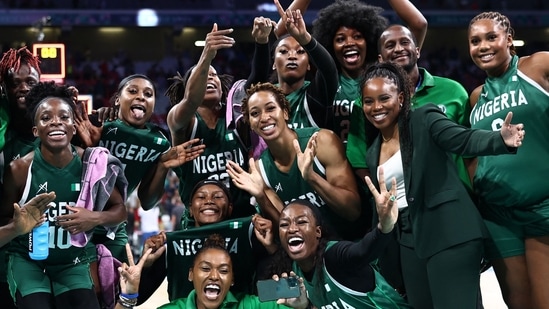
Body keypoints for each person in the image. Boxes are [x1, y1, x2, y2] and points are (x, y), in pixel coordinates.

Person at [360, 61, 524, 309]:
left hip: (449, 232)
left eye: (384, 98)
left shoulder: (423, 119)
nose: (376, 107)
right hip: (408, 241)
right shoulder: (373, 152)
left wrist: (499, 139)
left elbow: (462, 138)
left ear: (402, 98)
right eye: (368, 101)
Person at [1, 82, 128, 308]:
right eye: (46, 118)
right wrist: (16, 228)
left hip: (73, 262)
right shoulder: (19, 170)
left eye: (64, 117)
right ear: (35, 130)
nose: (56, 122)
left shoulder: (92, 165)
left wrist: (94, 218)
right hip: (28, 262)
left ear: (72, 127)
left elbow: (121, 210)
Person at [468, 11, 549, 309]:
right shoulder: (476, 97)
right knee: (517, 303)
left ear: (509, 40)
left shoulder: (538, 65)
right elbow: (472, 153)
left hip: (542, 206)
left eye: (491, 37)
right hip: (497, 216)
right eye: (475, 41)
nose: (483, 46)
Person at [226, 82, 363, 240]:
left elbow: (353, 211)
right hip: (310, 256)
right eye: (255, 113)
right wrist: (260, 197)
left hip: (351, 245)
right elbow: (286, 233)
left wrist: (312, 177)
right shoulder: (259, 170)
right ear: (250, 123)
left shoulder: (322, 141)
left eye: (271, 108)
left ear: (285, 112)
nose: (264, 117)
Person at [312, 0, 426, 178]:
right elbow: (281, 37)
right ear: (329, 46)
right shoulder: (325, 81)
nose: (349, 43)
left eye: (358, 36)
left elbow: (419, 25)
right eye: (340, 39)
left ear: (369, 41)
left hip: (381, 168)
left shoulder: (385, 78)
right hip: (335, 172)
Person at [166, 23, 256, 224]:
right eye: (204, 74)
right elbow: (190, 101)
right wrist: (206, 56)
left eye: (214, 76)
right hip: (199, 221)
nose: (210, 78)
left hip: (242, 219)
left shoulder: (237, 118)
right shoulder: (181, 121)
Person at [134, 179, 276, 304]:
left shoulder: (249, 235)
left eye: (218, 197)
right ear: (190, 209)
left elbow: (278, 290)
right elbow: (137, 298)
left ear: (230, 208)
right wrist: (145, 265)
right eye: (201, 197)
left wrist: (271, 248)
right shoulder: (174, 244)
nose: (208, 200)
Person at [258, 198, 411, 308]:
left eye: (302, 222)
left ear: (318, 232)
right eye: (284, 224)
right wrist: (305, 306)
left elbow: (363, 251)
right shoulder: (295, 276)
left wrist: (383, 228)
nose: (291, 229)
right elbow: (263, 291)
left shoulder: (334, 256)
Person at [116, 234, 311, 309]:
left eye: (223, 270)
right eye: (206, 268)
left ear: (232, 279)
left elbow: (298, 294)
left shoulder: (251, 304)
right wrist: (128, 296)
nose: (214, 276)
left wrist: (303, 304)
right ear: (191, 274)